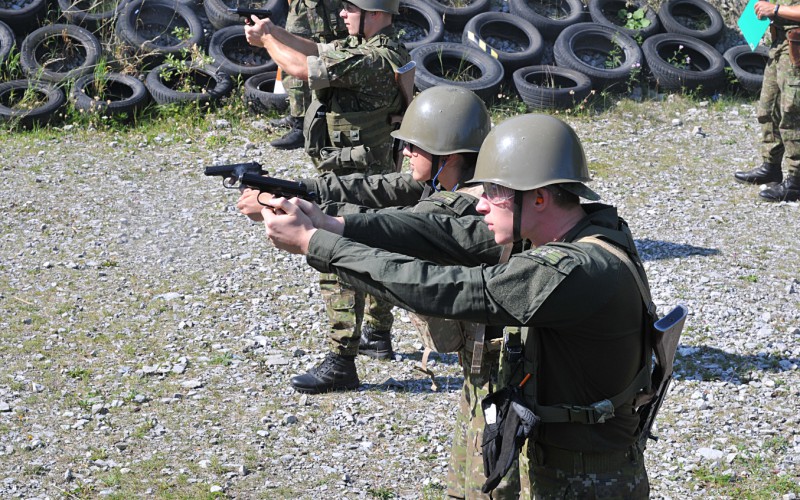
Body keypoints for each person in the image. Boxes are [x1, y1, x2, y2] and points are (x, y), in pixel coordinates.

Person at [260, 114, 652, 497]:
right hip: (567, 464)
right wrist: (332, 224)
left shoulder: (576, 269)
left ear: (539, 197)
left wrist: (316, 243)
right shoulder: (578, 230)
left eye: (494, 193)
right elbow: (440, 230)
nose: (481, 204)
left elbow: (442, 288)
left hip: (587, 482)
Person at [238, 86, 524, 497]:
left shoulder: (470, 214)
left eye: (414, 146)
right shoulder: (457, 188)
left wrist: (318, 227)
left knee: (491, 481)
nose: (405, 151)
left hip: (504, 377)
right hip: (481, 373)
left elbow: (402, 227)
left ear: (450, 155)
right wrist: (299, 190)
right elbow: (383, 191)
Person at [244, 0, 411, 389]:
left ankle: (341, 360)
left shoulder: (373, 58)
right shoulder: (377, 47)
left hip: (354, 177)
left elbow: (303, 69)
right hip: (372, 171)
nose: (341, 14)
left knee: (334, 259)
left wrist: (266, 39)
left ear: (374, 14)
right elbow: (317, 49)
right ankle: (377, 335)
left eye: (350, 9)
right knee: (378, 245)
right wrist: (275, 30)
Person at [734, 0, 800, 201]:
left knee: (793, 114)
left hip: (797, 48)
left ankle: (796, 181)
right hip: (781, 45)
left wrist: (776, 9)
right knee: (768, 109)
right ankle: (771, 167)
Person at [267, 0, 347, 150]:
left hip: (329, 7)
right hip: (301, 5)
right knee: (292, 52)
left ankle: (319, 121)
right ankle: (299, 117)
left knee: (328, 55)